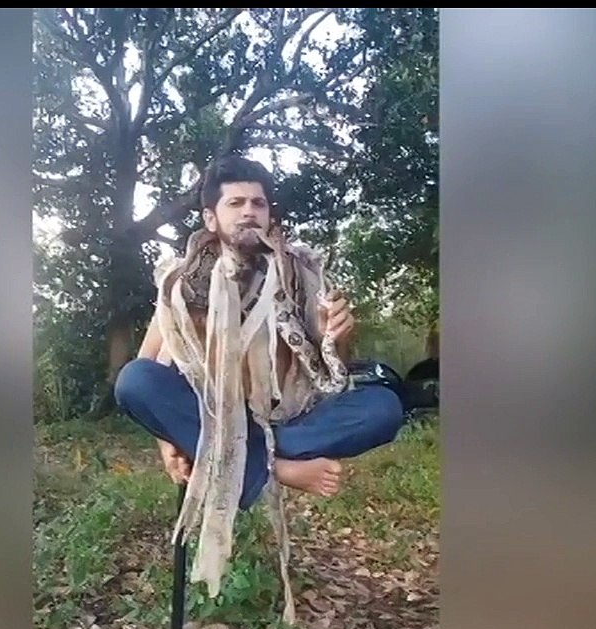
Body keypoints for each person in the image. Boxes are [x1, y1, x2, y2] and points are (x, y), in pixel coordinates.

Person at [113, 155, 404, 512]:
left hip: (289, 419)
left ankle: (243, 459)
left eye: (258, 203)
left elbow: (334, 376)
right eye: (235, 203)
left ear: (269, 214)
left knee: (385, 406)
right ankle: (277, 469)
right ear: (211, 217)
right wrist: (166, 439)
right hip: (212, 417)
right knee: (134, 379)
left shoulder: (304, 276)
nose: (248, 211)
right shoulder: (180, 283)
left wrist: (338, 336)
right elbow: (146, 369)